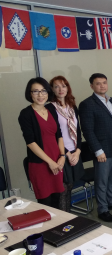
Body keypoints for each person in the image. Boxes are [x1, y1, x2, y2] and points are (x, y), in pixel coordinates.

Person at [79, 73, 112, 223]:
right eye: (98, 83)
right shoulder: (87, 104)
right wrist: (98, 150)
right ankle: (103, 209)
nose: (102, 86)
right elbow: (87, 130)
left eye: (104, 83)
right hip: (102, 149)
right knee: (101, 180)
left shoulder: (111, 101)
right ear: (92, 86)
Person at [18, 78, 65, 209]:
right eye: (36, 91)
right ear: (30, 93)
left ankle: (58, 228)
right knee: (45, 202)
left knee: (57, 199)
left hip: (57, 160)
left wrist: (62, 156)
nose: (40, 95)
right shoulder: (26, 114)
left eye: (43, 91)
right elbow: (30, 142)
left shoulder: (52, 109)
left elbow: (59, 135)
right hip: (41, 164)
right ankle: (48, 229)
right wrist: (50, 162)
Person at [47, 76, 84, 212]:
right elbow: (54, 134)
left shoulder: (72, 107)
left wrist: (78, 151)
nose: (60, 89)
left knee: (70, 187)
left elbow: (78, 130)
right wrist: (67, 153)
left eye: (63, 86)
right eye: (56, 86)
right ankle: (64, 221)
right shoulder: (50, 108)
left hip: (75, 152)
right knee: (62, 189)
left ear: (67, 88)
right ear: (52, 90)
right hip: (61, 153)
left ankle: (68, 217)